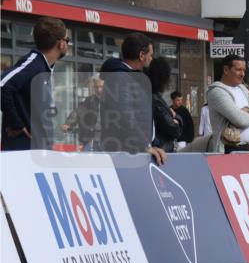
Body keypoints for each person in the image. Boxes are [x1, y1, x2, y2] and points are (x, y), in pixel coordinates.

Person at [1, 16, 69, 151]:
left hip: (39, 151)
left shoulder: (43, 67)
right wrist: (17, 124)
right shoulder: (34, 63)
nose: (67, 44)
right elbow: (2, 86)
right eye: (67, 40)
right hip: (24, 152)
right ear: (61, 43)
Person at [99, 32, 166, 165]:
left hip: (137, 152)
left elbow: (144, 117)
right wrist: (145, 145)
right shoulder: (120, 78)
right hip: (126, 156)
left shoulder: (134, 77)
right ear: (141, 55)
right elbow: (124, 115)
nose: (151, 59)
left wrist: (153, 144)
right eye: (150, 55)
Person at [205, 55, 249, 153]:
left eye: (244, 70)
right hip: (229, 149)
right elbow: (240, 120)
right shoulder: (216, 92)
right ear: (226, 70)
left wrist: (248, 110)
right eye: (238, 69)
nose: (242, 74)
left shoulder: (242, 89)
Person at [147, 57, 181, 153]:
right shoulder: (156, 101)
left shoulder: (153, 97)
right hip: (162, 150)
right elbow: (174, 130)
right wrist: (176, 118)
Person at [62, 77, 103, 151]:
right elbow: (77, 112)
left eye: (101, 87)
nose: (99, 90)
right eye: (96, 87)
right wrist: (68, 124)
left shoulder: (113, 102)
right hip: (91, 138)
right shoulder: (89, 100)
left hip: (107, 139)